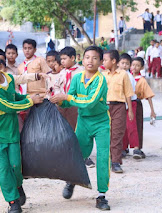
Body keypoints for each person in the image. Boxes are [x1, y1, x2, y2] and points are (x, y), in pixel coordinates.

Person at [0, 49, 44, 213]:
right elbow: (7, 106)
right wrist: (30, 101)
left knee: (16, 166)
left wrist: (31, 97)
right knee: (3, 170)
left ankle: (18, 185)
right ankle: (13, 202)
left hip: (12, 133)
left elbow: (14, 97)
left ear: (0, 67)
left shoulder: (8, 79)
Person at [50, 46, 111, 211]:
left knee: (103, 158)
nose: (90, 61)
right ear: (82, 60)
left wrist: (67, 97)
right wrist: (59, 100)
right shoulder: (77, 78)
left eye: (95, 58)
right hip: (83, 121)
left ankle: (101, 196)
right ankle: (71, 181)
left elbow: (90, 102)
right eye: (87, 57)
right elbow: (70, 100)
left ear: (100, 62)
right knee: (78, 155)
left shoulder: (100, 80)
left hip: (101, 123)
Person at [102, 50, 134, 173]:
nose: (103, 62)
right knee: (106, 134)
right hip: (104, 107)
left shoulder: (123, 74)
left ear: (114, 61)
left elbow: (128, 93)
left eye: (105, 60)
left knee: (117, 134)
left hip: (119, 106)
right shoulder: (102, 75)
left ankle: (116, 162)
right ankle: (106, 160)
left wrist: (130, 110)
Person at [131, 57, 156, 155]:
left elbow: (148, 96)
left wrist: (152, 111)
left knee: (137, 126)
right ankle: (124, 148)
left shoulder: (142, 80)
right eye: (133, 65)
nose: (134, 67)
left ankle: (137, 147)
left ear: (141, 67)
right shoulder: (126, 77)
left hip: (136, 104)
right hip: (125, 104)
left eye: (137, 65)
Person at [118, 54, 140, 159]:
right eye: (122, 63)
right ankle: (123, 148)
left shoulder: (128, 76)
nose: (124, 65)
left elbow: (129, 94)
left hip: (131, 103)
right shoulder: (118, 75)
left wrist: (130, 109)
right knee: (122, 127)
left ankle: (136, 148)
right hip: (121, 104)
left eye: (127, 64)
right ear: (118, 63)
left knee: (131, 126)